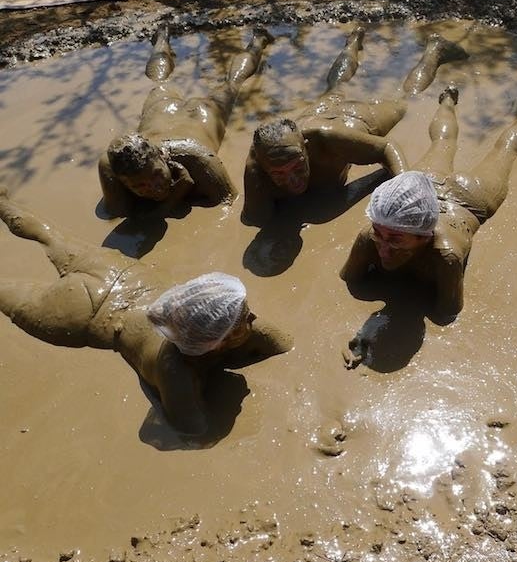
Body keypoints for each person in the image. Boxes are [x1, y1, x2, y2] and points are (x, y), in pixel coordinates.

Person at [0, 188, 292, 436]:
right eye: (243, 320)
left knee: (50, 235)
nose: (252, 319)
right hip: (89, 311)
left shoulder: (225, 323)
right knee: (34, 256)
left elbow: (284, 345)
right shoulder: (175, 372)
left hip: (124, 273)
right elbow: (194, 428)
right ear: (214, 341)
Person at [340, 87, 517, 347]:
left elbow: (447, 313)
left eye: (396, 240)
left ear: (424, 236)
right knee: (442, 142)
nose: (383, 248)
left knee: (506, 150)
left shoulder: (446, 256)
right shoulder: (371, 236)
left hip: (469, 200)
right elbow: (350, 282)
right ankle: (447, 99)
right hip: (426, 185)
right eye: (380, 234)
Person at [240, 27, 469, 226]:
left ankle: (435, 49)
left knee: (405, 99)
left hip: (352, 119)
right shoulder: (257, 166)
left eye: (298, 167)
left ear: (306, 147)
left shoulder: (326, 138)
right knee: (335, 87)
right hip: (316, 112)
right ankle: (353, 41)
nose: (293, 181)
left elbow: (387, 148)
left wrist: (407, 194)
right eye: (279, 175)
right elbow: (257, 220)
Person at [99, 27, 273, 218]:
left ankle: (258, 39)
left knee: (232, 84)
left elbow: (228, 201)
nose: (154, 189)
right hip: (161, 111)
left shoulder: (198, 158)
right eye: (139, 186)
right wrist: (177, 194)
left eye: (157, 174)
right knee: (158, 82)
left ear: (163, 156)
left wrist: (168, 202)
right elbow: (117, 213)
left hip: (202, 114)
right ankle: (161, 36)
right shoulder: (112, 164)